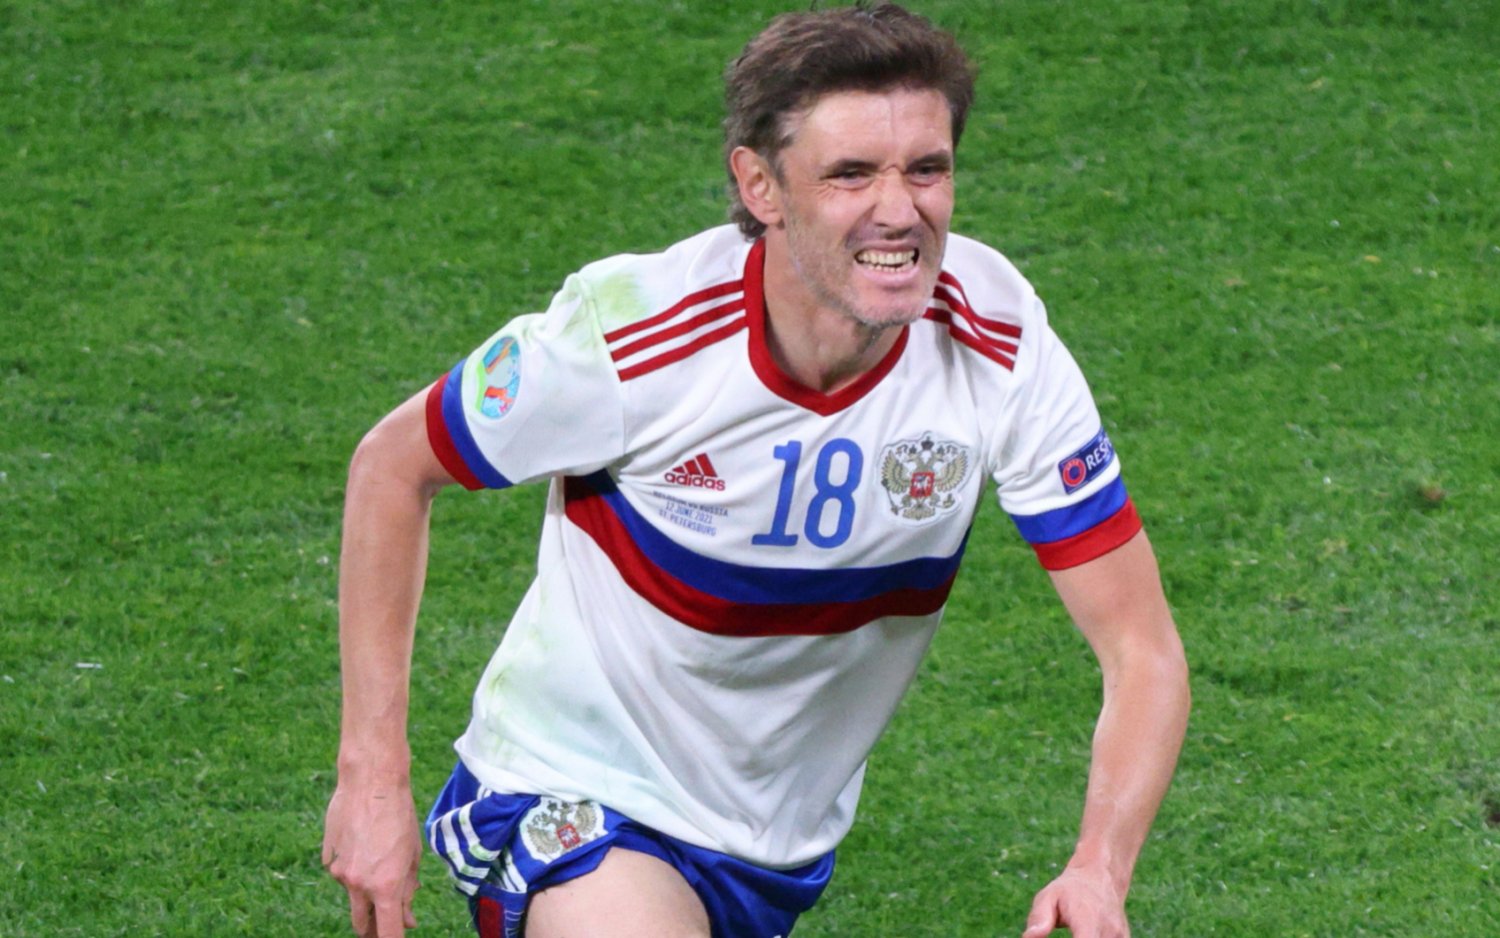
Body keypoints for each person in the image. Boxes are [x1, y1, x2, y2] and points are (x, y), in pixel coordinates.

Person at [322, 4, 1190, 937]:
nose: (899, 210)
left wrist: (1100, 868)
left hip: (776, 850)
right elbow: (392, 467)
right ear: (761, 186)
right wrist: (371, 779)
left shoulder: (1000, 340)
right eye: (851, 173)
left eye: (926, 169)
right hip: (574, 792)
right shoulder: (629, 337)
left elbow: (1141, 651)